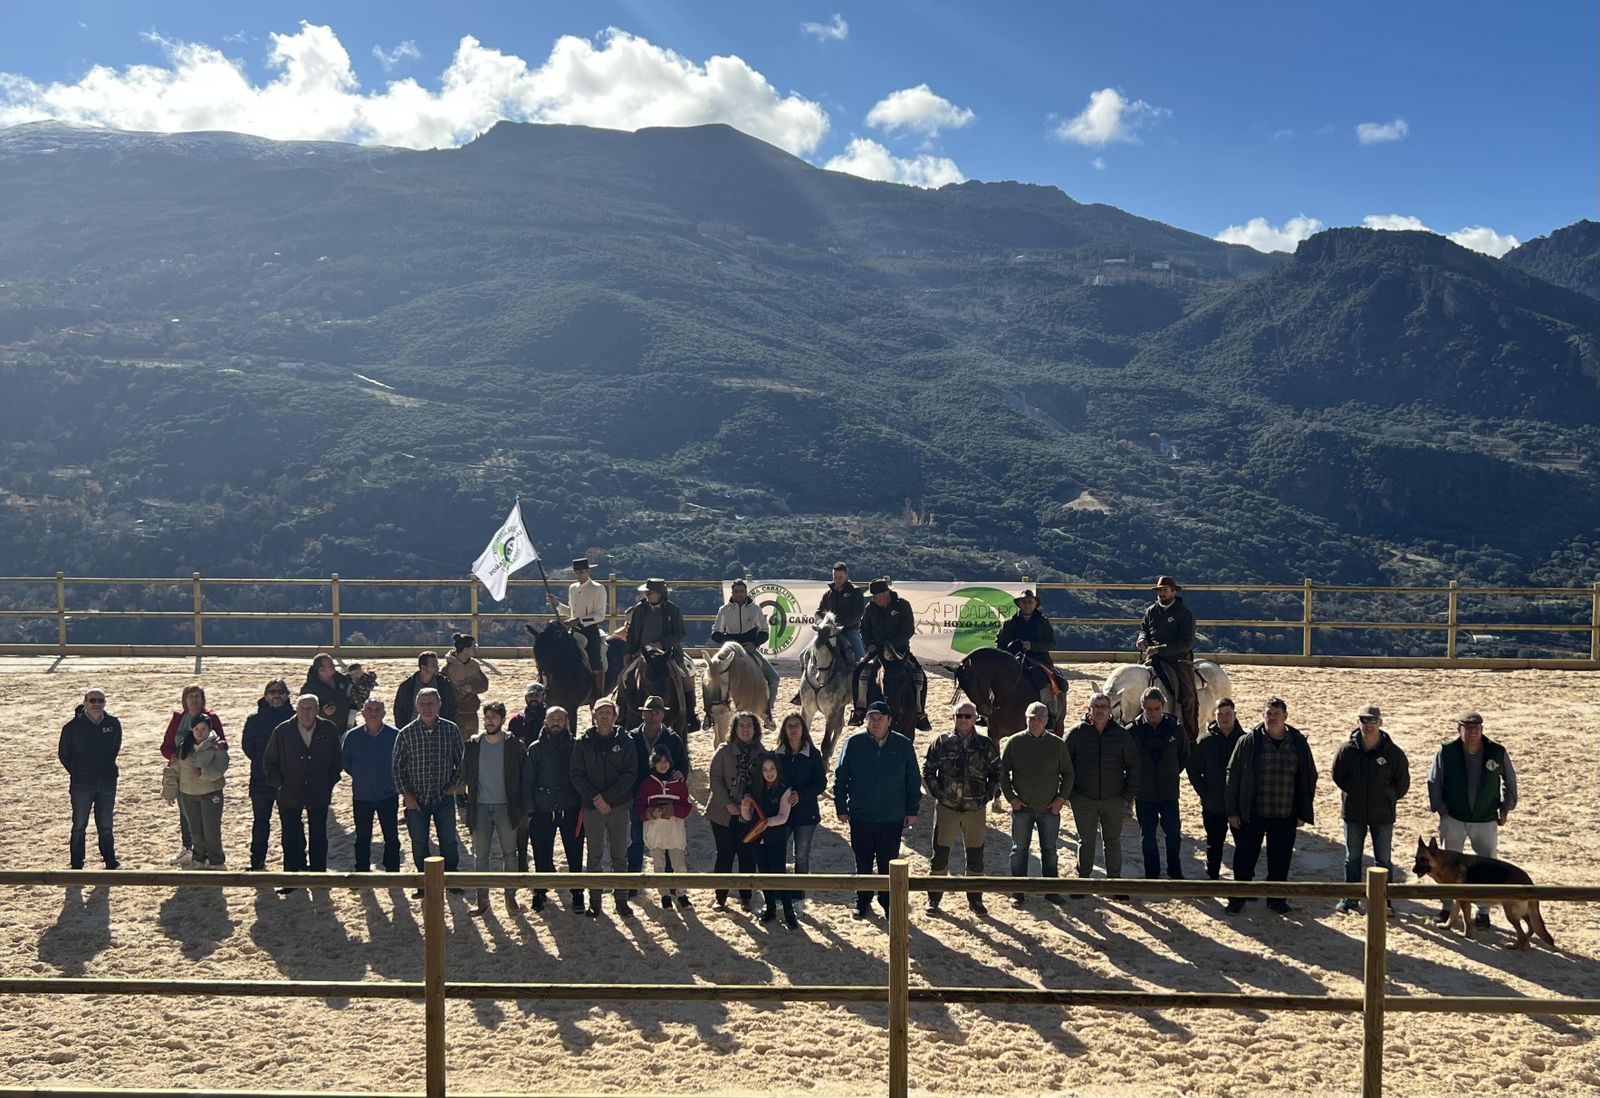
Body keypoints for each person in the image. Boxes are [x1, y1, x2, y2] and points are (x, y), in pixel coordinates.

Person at [1224, 696, 1318, 914]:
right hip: (1253, 812)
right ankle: (1238, 898)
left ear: (1285, 716)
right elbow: (1233, 775)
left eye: (1276, 714)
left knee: (1281, 859)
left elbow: (1309, 776)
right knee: (1245, 858)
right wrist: (1232, 810)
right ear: (1262, 715)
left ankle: (1276, 899)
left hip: (1285, 813)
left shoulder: (1298, 743)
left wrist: (1303, 809)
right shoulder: (1248, 742)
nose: (1272, 717)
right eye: (1268, 713)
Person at [1425, 710, 1517, 928]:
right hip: (1454, 817)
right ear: (1459, 729)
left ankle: (1483, 912)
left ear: (1482, 729)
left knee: (1488, 864)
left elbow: (1510, 780)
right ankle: (1447, 907)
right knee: (1446, 865)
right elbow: (1434, 780)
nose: (1473, 731)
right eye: (1468, 727)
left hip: (1485, 818)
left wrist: (1506, 807)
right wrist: (1440, 808)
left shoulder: (1496, 751)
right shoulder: (1446, 751)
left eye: (1476, 727)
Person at [833, 701, 922, 920]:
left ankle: (887, 901)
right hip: (861, 815)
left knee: (887, 861)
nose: (875, 722)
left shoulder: (903, 745)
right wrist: (840, 806)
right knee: (862, 860)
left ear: (889, 721)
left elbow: (913, 779)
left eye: (880, 718)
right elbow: (841, 777)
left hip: (892, 817)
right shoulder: (854, 743)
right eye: (872, 718)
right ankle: (862, 900)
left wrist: (912, 809)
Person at [921, 701, 1001, 915]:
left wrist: (986, 796)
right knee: (939, 856)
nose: (963, 719)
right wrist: (939, 793)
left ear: (976, 718)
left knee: (976, 858)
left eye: (968, 716)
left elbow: (996, 772)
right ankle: (934, 898)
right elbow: (928, 770)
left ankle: (975, 900)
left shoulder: (985, 744)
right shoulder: (941, 742)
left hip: (975, 809)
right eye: (959, 715)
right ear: (953, 717)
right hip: (947, 808)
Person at [1332, 704, 1410, 915]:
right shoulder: (1347, 750)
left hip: (1383, 815)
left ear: (1380, 723)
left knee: (1383, 859)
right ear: (1358, 723)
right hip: (1354, 813)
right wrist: (1354, 794)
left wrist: (1387, 797)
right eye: (1364, 721)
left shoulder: (1393, 753)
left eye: (1372, 721)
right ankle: (1350, 899)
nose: (1368, 725)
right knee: (1353, 857)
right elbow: (1337, 775)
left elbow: (1402, 783)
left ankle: (1385, 902)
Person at [263, 693, 343, 894]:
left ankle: (318, 878)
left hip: (318, 792)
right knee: (290, 836)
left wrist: (329, 782)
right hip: (289, 793)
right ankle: (291, 878)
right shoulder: (282, 731)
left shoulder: (329, 729)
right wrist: (280, 784)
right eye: (302, 708)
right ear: (296, 710)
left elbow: (337, 760)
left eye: (310, 709)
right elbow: (269, 762)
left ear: (317, 710)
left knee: (318, 836)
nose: (306, 713)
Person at [391, 687, 465, 899]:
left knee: (449, 841)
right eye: (422, 704)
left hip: (443, 797)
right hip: (417, 799)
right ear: (416, 706)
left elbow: (462, 761)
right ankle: (423, 883)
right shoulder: (406, 733)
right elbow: (397, 767)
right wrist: (406, 794)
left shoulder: (451, 730)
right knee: (419, 842)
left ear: (439, 704)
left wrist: (455, 785)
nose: (427, 708)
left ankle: (451, 880)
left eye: (431, 703)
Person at [1000, 702, 1075, 907]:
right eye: (1031, 718)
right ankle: (1018, 891)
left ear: (1046, 720)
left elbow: (1068, 774)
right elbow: (1002, 772)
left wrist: (1061, 799)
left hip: (1049, 808)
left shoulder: (1057, 744)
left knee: (1049, 850)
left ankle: (1051, 890)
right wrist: (1011, 798)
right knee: (1019, 850)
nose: (1035, 722)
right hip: (1022, 808)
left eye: (1039, 718)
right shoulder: (1014, 742)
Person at [1065, 692, 1140, 893]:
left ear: (1110, 710)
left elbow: (1133, 766)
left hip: (1114, 799)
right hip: (1084, 799)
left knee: (1113, 841)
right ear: (1089, 710)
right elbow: (1063, 765)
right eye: (1095, 706)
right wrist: (1071, 795)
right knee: (1086, 840)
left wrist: (1127, 796)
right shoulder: (1076, 733)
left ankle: (1114, 882)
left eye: (1103, 706)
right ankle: (1083, 882)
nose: (1099, 710)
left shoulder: (1121, 735)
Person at [569, 698, 638, 918]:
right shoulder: (582, 742)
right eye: (600, 712)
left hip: (618, 806)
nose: (605, 716)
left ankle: (621, 900)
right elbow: (576, 774)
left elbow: (630, 773)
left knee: (619, 855)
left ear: (615, 716)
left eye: (609, 712)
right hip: (592, 807)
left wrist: (607, 797)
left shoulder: (626, 741)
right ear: (593, 716)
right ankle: (595, 901)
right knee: (595, 855)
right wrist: (596, 798)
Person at [460, 701, 526, 915]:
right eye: (487, 717)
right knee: (481, 855)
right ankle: (482, 900)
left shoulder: (514, 745)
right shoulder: (473, 744)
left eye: (494, 717)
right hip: (480, 807)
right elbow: (463, 773)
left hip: (506, 808)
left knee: (510, 853)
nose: (489, 721)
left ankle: (510, 898)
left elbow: (524, 775)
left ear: (503, 720)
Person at [520, 705, 585, 913]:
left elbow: (582, 777)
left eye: (560, 719)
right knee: (541, 853)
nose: (555, 722)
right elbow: (527, 780)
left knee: (574, 853)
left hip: (570, 807)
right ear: (545, 723)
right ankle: (539, 892)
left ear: (567, 722)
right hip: (543, 809)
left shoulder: (576, 746)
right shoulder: (535, 748)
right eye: (552, 719)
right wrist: (530, 809)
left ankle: (577, 893)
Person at [627, 696, 690, 891]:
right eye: (649, 712)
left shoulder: (672, 738)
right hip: (640, 796)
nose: (653, 716)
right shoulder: (632, 737)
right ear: (642, 713)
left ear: (663, 714)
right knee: (636, 838)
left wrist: (680, 773)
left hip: (665, 797)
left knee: (668, 839)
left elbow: (683, 764)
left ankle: (694, 712)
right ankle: (633, 881)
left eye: (657, 712)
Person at [850, 578, 930, 731]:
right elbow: (864, 629)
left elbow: (908, 630)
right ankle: (859, 710)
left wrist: (892, 646)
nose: (873, 598)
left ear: (884, 594)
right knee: (859, 672)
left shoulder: (903, 605)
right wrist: (869, 644)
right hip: (877, 651)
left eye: (875, 595)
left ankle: (919, 713)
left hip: (900, 651)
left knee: (919, 676)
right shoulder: (870, 608)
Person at [160, 685, 226, 866]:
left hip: (207, 780)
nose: (194, 700)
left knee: (209, 824)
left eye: (198, 696)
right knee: (188, 817)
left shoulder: (210, 718)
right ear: (185, 699)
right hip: (184, 774)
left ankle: (213, 857)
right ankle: (190, 849)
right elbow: (166, 746)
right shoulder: (178, 719)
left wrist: (214, 751)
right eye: (191, 696)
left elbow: (222, 743)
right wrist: (172, 756)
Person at [1130, 688, 1191, 881]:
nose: (1153, 712)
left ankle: (1175, 870)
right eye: (1149, 709)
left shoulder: (1176, 729)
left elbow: (1184, 757)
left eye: (1157, 708)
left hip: (1169, 793)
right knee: (1147, 836)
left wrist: (1170, 773)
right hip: (1144, 794)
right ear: (1142, 708)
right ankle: (1152, 874)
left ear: (1163, 707)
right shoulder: (1132, 732)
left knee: (1173, 834)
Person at [707, 711, 765, 912]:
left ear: (755, 729)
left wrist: (749, 803)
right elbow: (715, 778)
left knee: (747, 855)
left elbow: (764, 781)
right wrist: (728, 804)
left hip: (749, 813)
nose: (746, 729)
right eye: (742, 725)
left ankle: (746, 897)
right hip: (722, 812)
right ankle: (720, 897)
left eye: (750, 725)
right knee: (724, 854)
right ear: (735, 728)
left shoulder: (761, 753)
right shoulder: (723, 752)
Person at [59, 688, 122, 870]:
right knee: (79, 824)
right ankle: (77, 863)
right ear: (85, 702)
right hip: (81, 784)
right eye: (92, 700)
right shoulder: (72, 727)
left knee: (106, 824)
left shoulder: (113, 723)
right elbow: (64, 755)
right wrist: (78, 772)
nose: (96, 704)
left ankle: (110, 859)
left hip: (107, 782)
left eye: (100, 701)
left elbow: (115, 748)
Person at [624, 578, 699, 731]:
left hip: (667, 655)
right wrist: (628, 652)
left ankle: (689, 715)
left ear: (659, 593)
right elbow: (632, 633)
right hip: (641, 654)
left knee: (685, 678)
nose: (647, 595)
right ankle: (622, 714)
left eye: (649, 592)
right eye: (646, 592)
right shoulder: (639, 609)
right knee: (623, 678)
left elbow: (680, 633)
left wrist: (662, 644)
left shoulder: (673, 610)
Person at [1186, 697, 1246, 880]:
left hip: (1239, 806)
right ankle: (1212, 878)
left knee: (1243, 846)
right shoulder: (1205, 741)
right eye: (1220, 714)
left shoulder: (1245, 741)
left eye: (1228, 714)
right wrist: (1204, 793)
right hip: (1214, 805)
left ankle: (1242, 883)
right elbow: (1193, 769)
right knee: (1214, 844)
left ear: (1235, 715)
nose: (1224, 718)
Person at [342, 699, 402, 874]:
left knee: (391, 836)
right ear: (363, 712)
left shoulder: (395, 734)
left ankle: (392, 870)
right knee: (362, 837)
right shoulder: (353, 736)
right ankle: (362, 870)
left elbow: (401, 761)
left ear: (384, 713)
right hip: (362, 795)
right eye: (370, 709)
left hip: (388, 794)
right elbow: (346, 762)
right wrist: (362, 775)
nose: (374, 713)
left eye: (378, 709)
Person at [1138, 576, 1200, 742]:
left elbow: (1186, 643)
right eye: (1159, 590)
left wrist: (1160, 649)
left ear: (1173, 591)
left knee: (1188, 698)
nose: (1161, 593)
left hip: (1178, 660)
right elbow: (1144, 629)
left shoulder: (1184, 613)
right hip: (1153, 657)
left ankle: (1190, 735)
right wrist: (1142, 639)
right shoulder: (1151, 611)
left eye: (1165, 590)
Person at [241, 679, 294, 871]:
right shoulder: (254, 720)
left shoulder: (295, 718)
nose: (276, 695)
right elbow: (247, 747)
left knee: (290, 824)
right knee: (261, 822)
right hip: (260, 779)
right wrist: (263, 764)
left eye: (280, 691)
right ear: (265, 695)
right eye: (272, 692)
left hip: (288, 780)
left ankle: (293, 864)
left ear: (287, 695)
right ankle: (257, 862)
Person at [775, 712, 826, 912]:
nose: (793, 729)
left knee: (802, 855)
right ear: (784, 730)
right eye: (789, 726)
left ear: (803, 728)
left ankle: (799, 897)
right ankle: (778, 895)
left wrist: (801, 795)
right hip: (782, 813)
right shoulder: (777, 754)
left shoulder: (813, 755)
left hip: (806, 814)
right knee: (779, 853)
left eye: (796, 725)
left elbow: (821, 783)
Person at [711, 578, 780, 724]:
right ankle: (708, 714)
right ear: (732, 593)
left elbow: (764, 631)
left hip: (750, 650)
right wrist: (728, 644)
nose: (739, 594)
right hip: (729, 652)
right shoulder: (724, 610)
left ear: (746, 592)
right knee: (710, 677)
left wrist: (754, 644)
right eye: (736, 591)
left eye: (741, 591)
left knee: (774, 679)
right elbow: (715, 632)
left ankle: (768, 711)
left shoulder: (755, 609)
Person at [635, 745, 694, 909]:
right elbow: (639, 807)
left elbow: (687, 806)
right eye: (659, 761)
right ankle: (665, 895)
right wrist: (650, 812)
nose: (663, 765)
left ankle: (682, 894)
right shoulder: (647, 784)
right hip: (656, 832)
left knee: (679, 865)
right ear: (653, 763)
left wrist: (674, 810)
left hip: (675, 832)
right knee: (659, 865)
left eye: (666, 761)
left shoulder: (678, 783)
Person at [746, 754, 799, 928]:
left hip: (775, 837)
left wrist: (767, 823)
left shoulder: (785, 789)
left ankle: (788, 910)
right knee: (764, 872)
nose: (769, 773)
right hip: (757, 836)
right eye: (765, 769)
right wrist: (745, 806)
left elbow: (783, 817)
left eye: (772, 768)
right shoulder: (755, 789)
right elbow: (748, 815)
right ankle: (769, 907)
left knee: (778, 874)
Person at [995, 590, 1063, 718]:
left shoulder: (1043, 622)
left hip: (1039, 660)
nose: (1027, 604)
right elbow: (999, 642)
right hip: (1012, 660)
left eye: (1030, 602)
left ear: (1035, 604)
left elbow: (1051, 643)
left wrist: (1032, 645)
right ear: (1019, 604)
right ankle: (990, 713)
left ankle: (1049, 712)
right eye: (1024, 602)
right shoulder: (1009, 623)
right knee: (995, 679)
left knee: (1044, 682)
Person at [548, 557, 609, 697]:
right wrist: (557, 604)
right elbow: (571, 612)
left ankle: (598, 691)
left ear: (587, 571)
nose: (579, 574)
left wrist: (579, 620)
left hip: (590, 629)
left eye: (581, 571)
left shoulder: (598, 588)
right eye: (576, 572)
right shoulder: (572, 588)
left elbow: (600, 615)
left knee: (595, 660)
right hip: (573, 629)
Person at [815, 562, 866, 666]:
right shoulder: (828, 594)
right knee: (807, 652)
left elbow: (858, 613)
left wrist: (843, 625)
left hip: (849, 629)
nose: (837, 580)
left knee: (861, 656)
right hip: (828, 630)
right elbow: (819, 612)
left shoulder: (855, 591)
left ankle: (862, 672)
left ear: (846, 576)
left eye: (840, 577)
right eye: (835, 577)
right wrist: (820, 623)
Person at [393, 652, 458, 729]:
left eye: (437, 664)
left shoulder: (444, 684)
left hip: (439, 729)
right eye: (433, 665)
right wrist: (403, 728)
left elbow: (452, 707)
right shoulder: (408, 686)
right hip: (413, 729)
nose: (437, 667)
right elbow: (398, 709)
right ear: (423, 667)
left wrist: (448, 727)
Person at [444, 633, 490, 740]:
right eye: (473, 646)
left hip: (471, 712)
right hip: (455, 714)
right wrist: (459, 692)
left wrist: (471, 688)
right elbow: (444, 693)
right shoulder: (447, 669)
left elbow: (484, 684)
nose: (475, 649)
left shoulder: (474, 665)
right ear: (465, 649)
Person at [299, 653, 353, 731]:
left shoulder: (342, 680)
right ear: (321, 670)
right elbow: (303, 710)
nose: (334, 666)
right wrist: (322, 712)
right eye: (331, 665)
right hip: (324, 730)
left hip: (348, 726)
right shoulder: (309, 689)